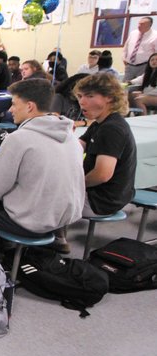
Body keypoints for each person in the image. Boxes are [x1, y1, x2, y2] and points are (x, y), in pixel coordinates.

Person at [0, 78, 85, 247]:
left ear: (30, 106)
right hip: (64, 220)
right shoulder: (71, 136)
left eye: (13, 104)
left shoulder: (19, 139)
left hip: (32, 221)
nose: (10, 109)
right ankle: (5, 246)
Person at [54, 73, 137, 252]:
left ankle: (52, 241)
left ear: (109, 97)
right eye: (80, 96)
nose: (82, 102)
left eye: (90, 96)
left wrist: (74, 184)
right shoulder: (101, 123)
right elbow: (77, 146)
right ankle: (55, 235)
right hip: (102, 195)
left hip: (102, 200)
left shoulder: (112, 129)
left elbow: (103, 174)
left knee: (43, 193)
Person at [123, 16, 156, 81]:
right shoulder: (133, 33)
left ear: (149, 25)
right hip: (130, 66)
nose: (139, 25)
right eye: (139, 23)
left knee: (139, 86)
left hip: (144, 66)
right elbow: (126, 46)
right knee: (125, 85)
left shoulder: (155, 36)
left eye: (142, 24)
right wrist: (124, 57)